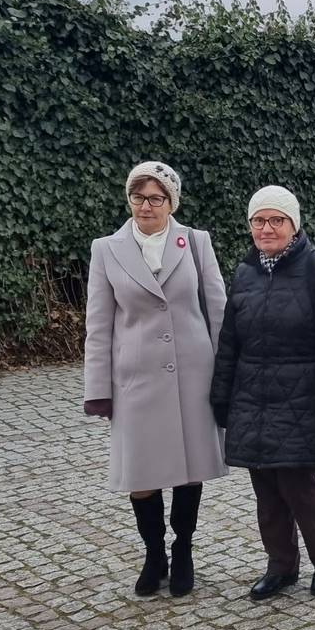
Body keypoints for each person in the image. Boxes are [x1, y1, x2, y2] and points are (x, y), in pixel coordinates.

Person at [83, 160, 227, 598]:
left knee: (188, 470)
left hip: (192, 374)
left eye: (156, 197)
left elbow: (217, 309)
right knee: (141, 475)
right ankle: (153, 554)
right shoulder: (106, 249)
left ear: (171, 202)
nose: (146, 206)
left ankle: (183, 550)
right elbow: (98, 323)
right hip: (137, 379)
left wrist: (226, 377)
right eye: (138, 196)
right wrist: (98, 389)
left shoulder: (196, 242)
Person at [210, 186, 315, 601]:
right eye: (259, 221)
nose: (267, 228)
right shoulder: (245, 272)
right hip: (252, 395)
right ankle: (281, 565)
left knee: (299, 482)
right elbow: (229, 341)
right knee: (266, 486)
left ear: (294, 226)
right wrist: (221, 396)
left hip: (304, 395)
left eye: (277, 220)